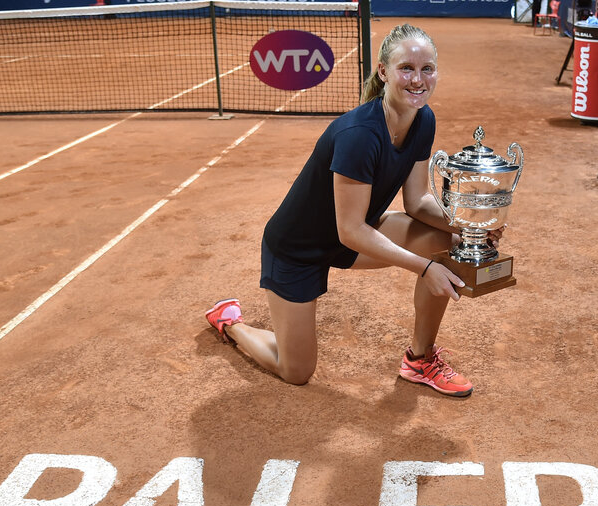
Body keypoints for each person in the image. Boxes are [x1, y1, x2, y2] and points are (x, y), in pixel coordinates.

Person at [204, 24, 502, 398]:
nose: (417, 79)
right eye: (406, 68)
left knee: (445, 238)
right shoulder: (359, 135)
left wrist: (469, 227)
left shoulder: (423, 119)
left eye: (427, 69)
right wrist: (425, 268)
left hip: (351, 236)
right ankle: (231, 323)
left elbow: (417, 202)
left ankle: (420, 359)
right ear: (383, 72)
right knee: (295, 371)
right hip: (297, 249)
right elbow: (350, 230)